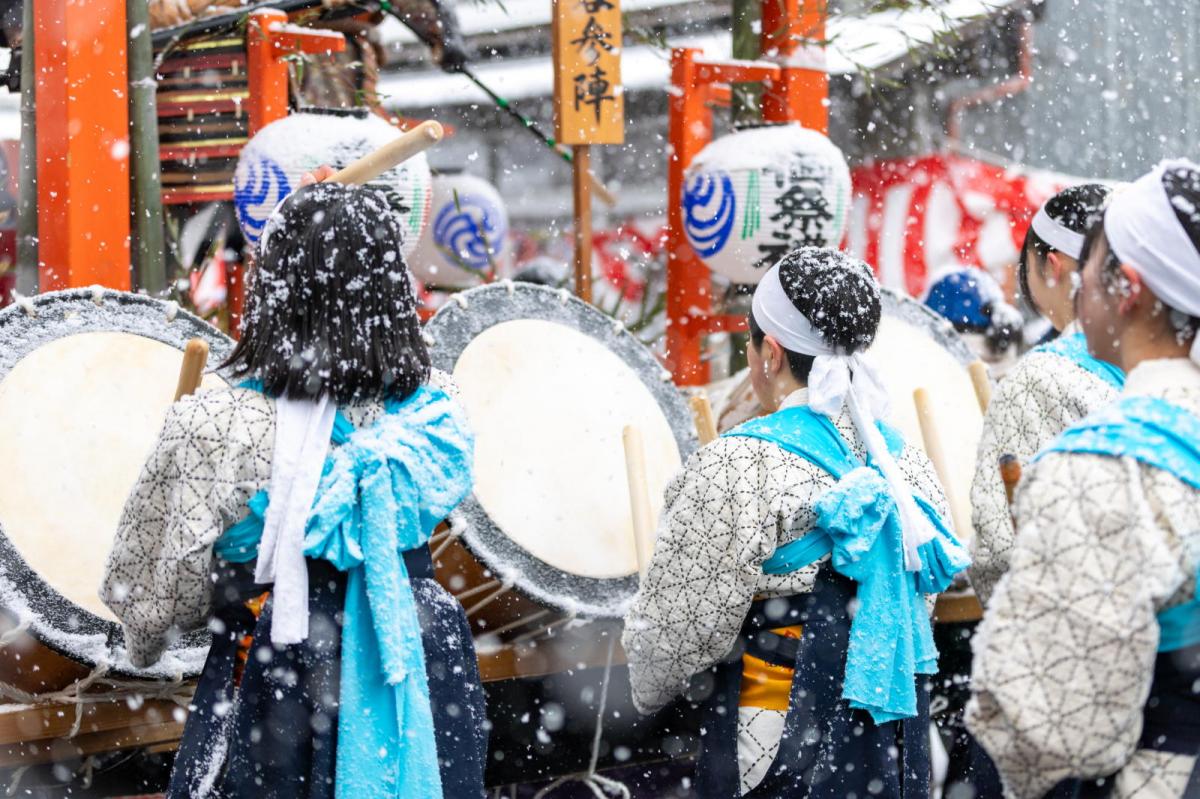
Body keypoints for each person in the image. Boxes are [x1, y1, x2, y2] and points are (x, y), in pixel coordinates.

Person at [101, 180, 488, 799]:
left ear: (272, 288)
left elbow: (151, 600)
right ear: (393, 287)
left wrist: (152, 641)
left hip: (279, 669)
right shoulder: (438, 410)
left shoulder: (218, 423)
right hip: (416, 659)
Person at [623, 246, 969, 799]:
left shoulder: (738, 463)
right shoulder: (905, 464)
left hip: (777, 735)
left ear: (771, 353)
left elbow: (678, 630)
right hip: (894, 736)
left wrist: (647, 693)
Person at [966, 159, 1200, 798]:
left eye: (1091, 268)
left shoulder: (1104, 465)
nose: (1077, 287)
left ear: (1129, 289)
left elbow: (1061, 726)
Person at [970, 183, 1119, 606]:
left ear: (1052, 266)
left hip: (1082, 636)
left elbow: (1002, 551)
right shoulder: (1173, 360)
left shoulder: (1039, 379)